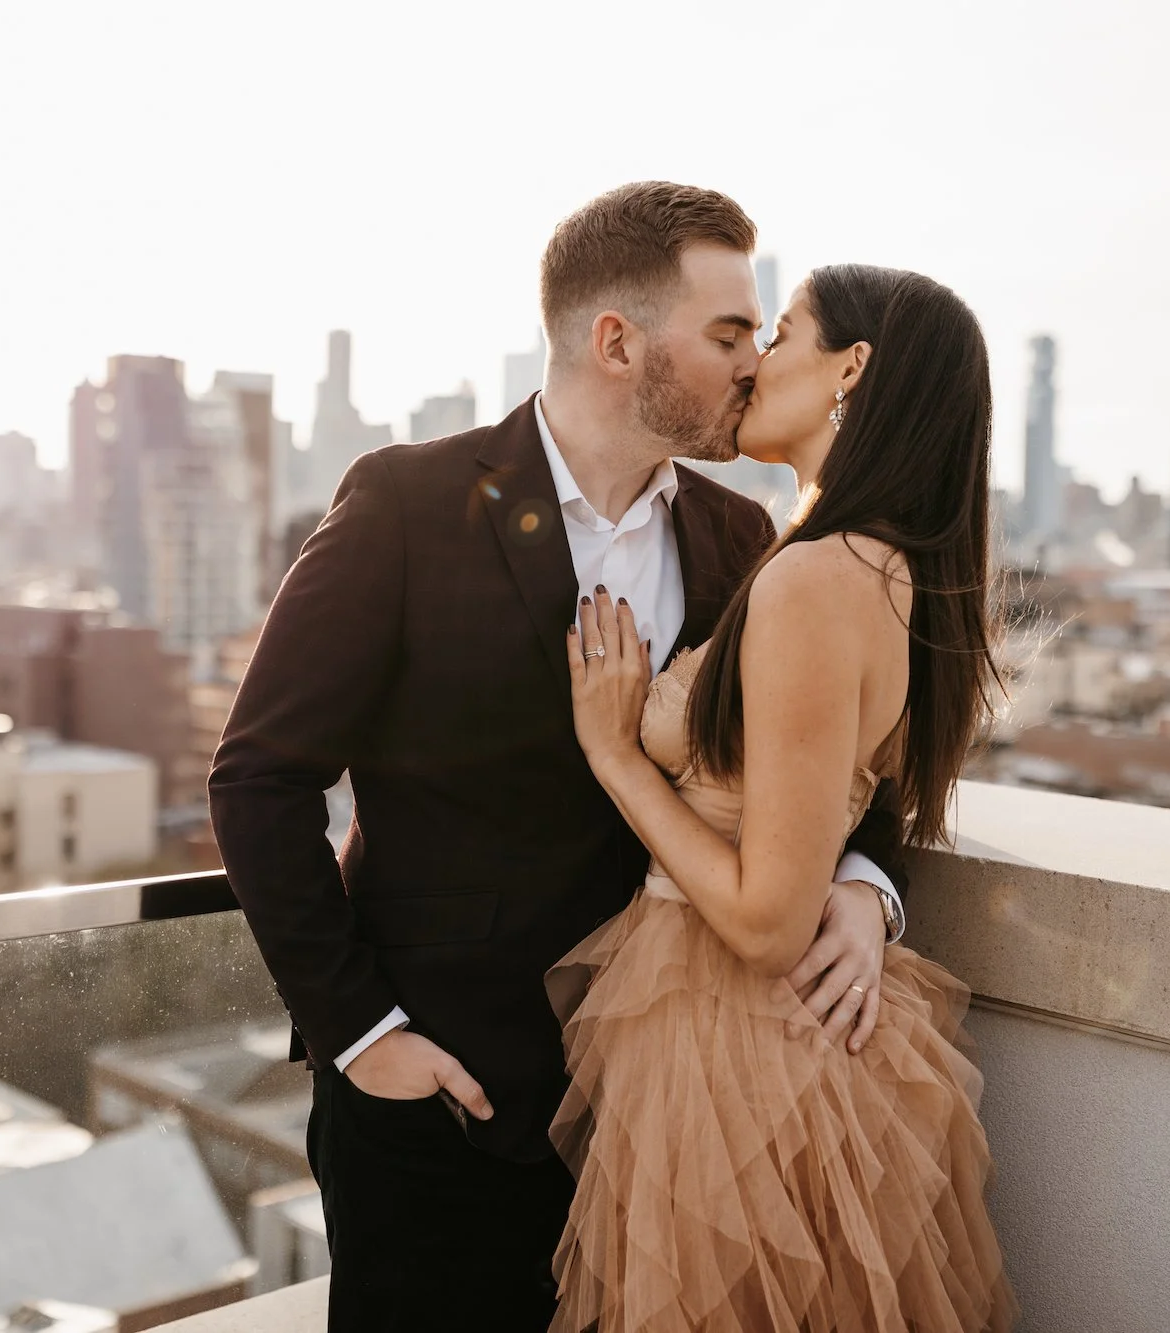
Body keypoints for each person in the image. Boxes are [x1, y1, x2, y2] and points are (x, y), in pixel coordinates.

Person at [208, 183, 912, 1331]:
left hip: (668, 1122)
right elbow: (257, 778)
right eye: (728, 332)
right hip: (447, 1109)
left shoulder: (743, 543)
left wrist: (858, 889)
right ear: (617, 341)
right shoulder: (405, 503)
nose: (750, 362)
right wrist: (364, 1037)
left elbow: (851, 762)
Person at [551, 264, 1015, 1331]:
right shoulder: (868, 561)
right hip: (753, 1037)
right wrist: (862, 885)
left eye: (784, 331)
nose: (754, 360)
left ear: (849, 369)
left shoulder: (817, 580)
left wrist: (615, 753)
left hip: (739, 1043)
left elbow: (765, 921)